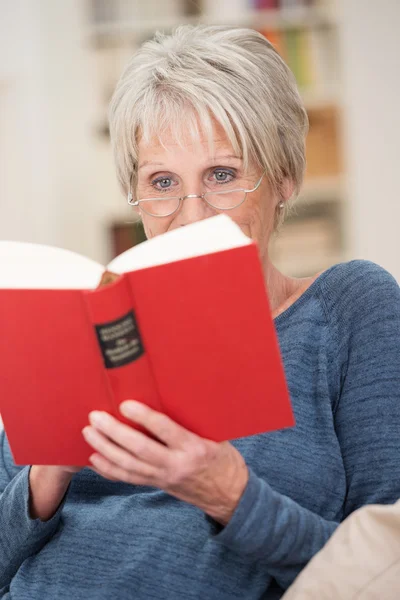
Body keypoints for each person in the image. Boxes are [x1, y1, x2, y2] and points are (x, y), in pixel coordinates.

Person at [1, 25, 400, 600]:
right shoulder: (88, 328)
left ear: (283, 180)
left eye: (222, 175)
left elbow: (382, 571)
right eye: (162, 181)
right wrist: (46, 477)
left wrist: (228, 494)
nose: (191, 216)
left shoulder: (346, 309)